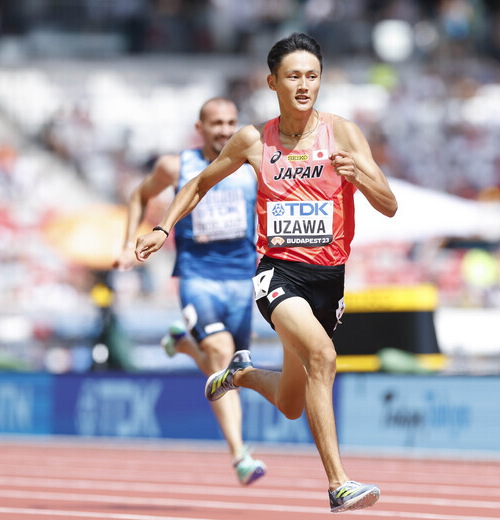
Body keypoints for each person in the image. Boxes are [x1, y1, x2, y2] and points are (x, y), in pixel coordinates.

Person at [135, 33, 397, 513]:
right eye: (294, 76)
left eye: (312, 76)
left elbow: (389, 205)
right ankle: (339, 485)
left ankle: (243, 372)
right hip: (278, 275)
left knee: (293, 403)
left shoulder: (343, 133)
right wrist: (161, 226)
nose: (304, 85)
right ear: (272, 81)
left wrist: (359, 174)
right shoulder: (255, 139)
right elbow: (199, 182)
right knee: (323, 356)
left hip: (329, 281)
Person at [113, 97, 267, 486]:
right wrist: (128, 244)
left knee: (234, 366)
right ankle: (240, 455)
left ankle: (182, 344)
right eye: (216, 122)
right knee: (220, 354)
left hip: (241, 280)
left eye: (231, 122)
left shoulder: (255, 163)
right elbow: (138, 196)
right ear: (199, 127)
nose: (224, 129)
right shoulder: (176, 165)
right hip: (198, 276)